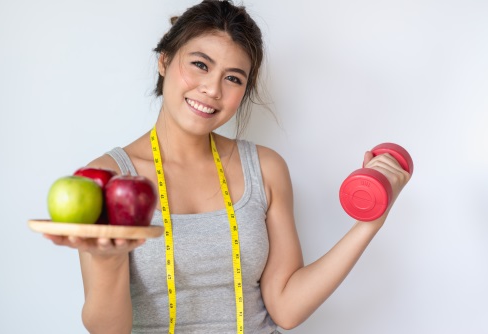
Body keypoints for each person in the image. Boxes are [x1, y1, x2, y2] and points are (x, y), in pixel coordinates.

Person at [45, 1, 411, 333]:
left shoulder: (264, 169)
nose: (213, 89)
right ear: (164, 60)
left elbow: (286, 308)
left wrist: (369, 223)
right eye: (200, 64)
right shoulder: (107, 179)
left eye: (233, 78)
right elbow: (107, 330)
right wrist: (106, 261)